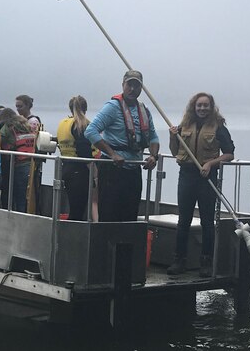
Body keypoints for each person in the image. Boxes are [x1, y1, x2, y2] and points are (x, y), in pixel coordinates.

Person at [166, 92, 235, 277]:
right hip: (187, 175)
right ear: (194, 107)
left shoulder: (219, 127)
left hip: (207, 177)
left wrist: (211, 163)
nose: (202, 109)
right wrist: (173, 136)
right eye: (199, 105)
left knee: (207, 221)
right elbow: (174, 153)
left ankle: (206, 262)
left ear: (211, 107)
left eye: (206, 105)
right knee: (183, 220)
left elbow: (229, 153)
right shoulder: (184, 125)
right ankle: (179, 260)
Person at [85, 70, 160, 222]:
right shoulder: (113, 107)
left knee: (130, 216)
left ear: (141, 88)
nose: (132, 89)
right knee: (108, 214)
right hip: (112, 170)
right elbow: (90, 131)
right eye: (129, 85)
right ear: (123, 85)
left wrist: (153, 156)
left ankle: (125, 246)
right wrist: (112, 154)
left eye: (136, 86)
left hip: (134, 170)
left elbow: (153, 136)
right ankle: (104, 245)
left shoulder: (144, 110)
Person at [57, 96, 96, 221]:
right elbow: (85, 154)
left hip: (66, 169)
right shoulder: (82, 125)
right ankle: (71, 238)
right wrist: (95, 176)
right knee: (78, 211)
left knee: (74, 208)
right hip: (80, 172)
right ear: (85, 108)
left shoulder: (64, 124)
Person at [0, 108, 35, 212]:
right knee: (28, 196)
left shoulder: (8, 127)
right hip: (32, 164)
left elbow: (0, 137)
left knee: (18, 196)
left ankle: (18, 220)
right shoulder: (26, 125)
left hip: (19, 164)